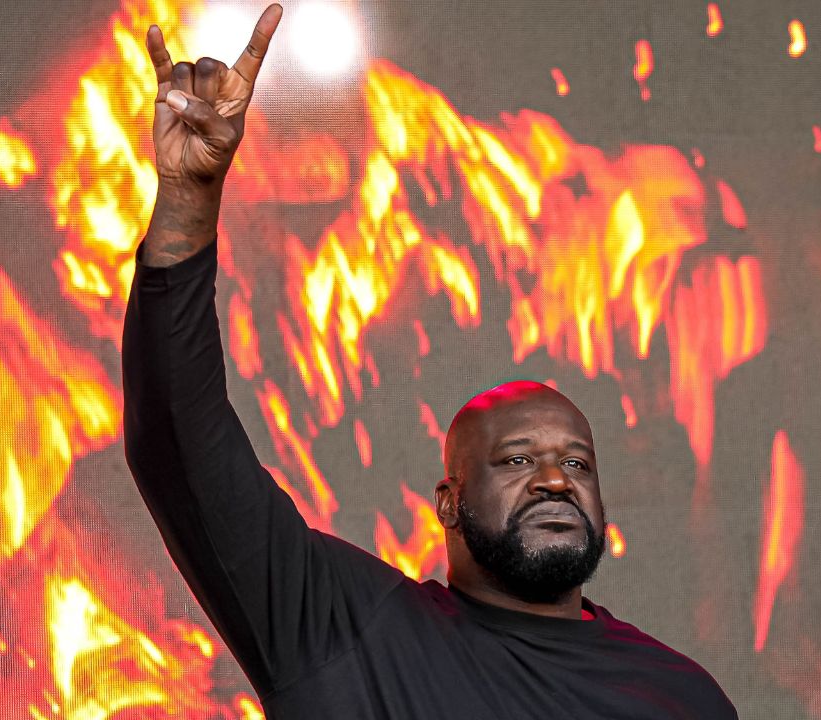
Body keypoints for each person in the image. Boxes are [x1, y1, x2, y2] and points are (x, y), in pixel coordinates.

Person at [122, 5, 738, 717]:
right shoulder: (347, 629)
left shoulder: (680, 697)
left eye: (577, 465)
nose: (552, 480)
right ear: (447, 503)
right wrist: (188, 199)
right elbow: (178, 443)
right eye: (515, 461)